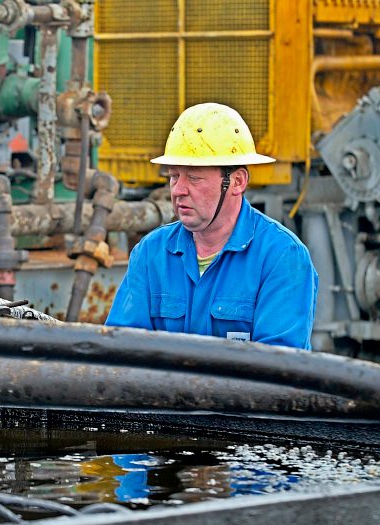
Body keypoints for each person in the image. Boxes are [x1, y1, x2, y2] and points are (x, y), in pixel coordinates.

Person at [105, 103, 318, 349]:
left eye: (194, 178)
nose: (178, 190)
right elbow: (121, 353)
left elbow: (278, 373)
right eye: (174, 176)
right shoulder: (150, 253)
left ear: (237, 181)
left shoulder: (281, 256)